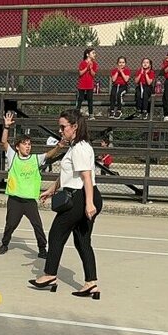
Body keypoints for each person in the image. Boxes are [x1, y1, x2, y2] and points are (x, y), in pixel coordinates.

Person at [31, 109, 103, 299]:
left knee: (56, 233)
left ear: (75, 126)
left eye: (63, 127)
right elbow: (70, 173)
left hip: (80, 196)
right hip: (83, 195)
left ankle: (49, 275)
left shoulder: (80, 148)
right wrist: (52, 189)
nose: (60, 130)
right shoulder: (77, 146)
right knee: (82, 241)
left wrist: (89, 203)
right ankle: (91, 283)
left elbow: (86, 177)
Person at [0, 112, 50, 258]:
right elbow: (4, 142)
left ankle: (42, 249)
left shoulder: (35, 159)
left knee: (37, 225)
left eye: (29, 144)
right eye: (24, 144)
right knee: (10, 225)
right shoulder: (12, 156)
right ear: (17, 147)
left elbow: (50, 154)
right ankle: (5, 244)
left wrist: (60, 145)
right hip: (15, 199)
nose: (28, 146)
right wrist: (6, 127)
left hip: (29, 200)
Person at [76, 48, 99, 116]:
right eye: (93, 53)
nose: (95, 54)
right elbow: (80, 73)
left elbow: (93, 74)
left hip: (90, 85)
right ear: (87, 54)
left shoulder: (94, 64)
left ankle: (91, 114)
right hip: (82, 85)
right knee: (80, 99)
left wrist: (91, 68)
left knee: (90, 99)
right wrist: (87, 67)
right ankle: (77, 114)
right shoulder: (82, 63)